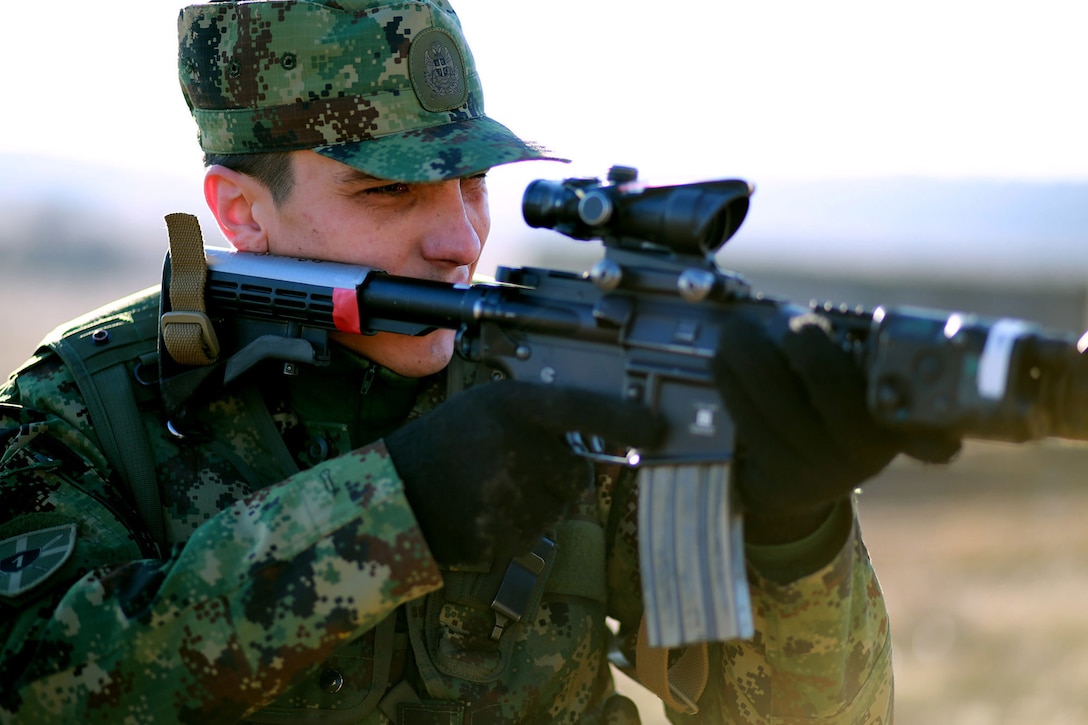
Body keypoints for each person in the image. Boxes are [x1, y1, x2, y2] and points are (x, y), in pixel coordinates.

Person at [0, 1, 956, 722]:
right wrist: (394, 514)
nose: (458, 239)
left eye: (471, 184)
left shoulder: (549, 384)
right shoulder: (83, 413)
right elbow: (40, 690)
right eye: (389, 192)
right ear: (241, 210)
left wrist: (794, 535)